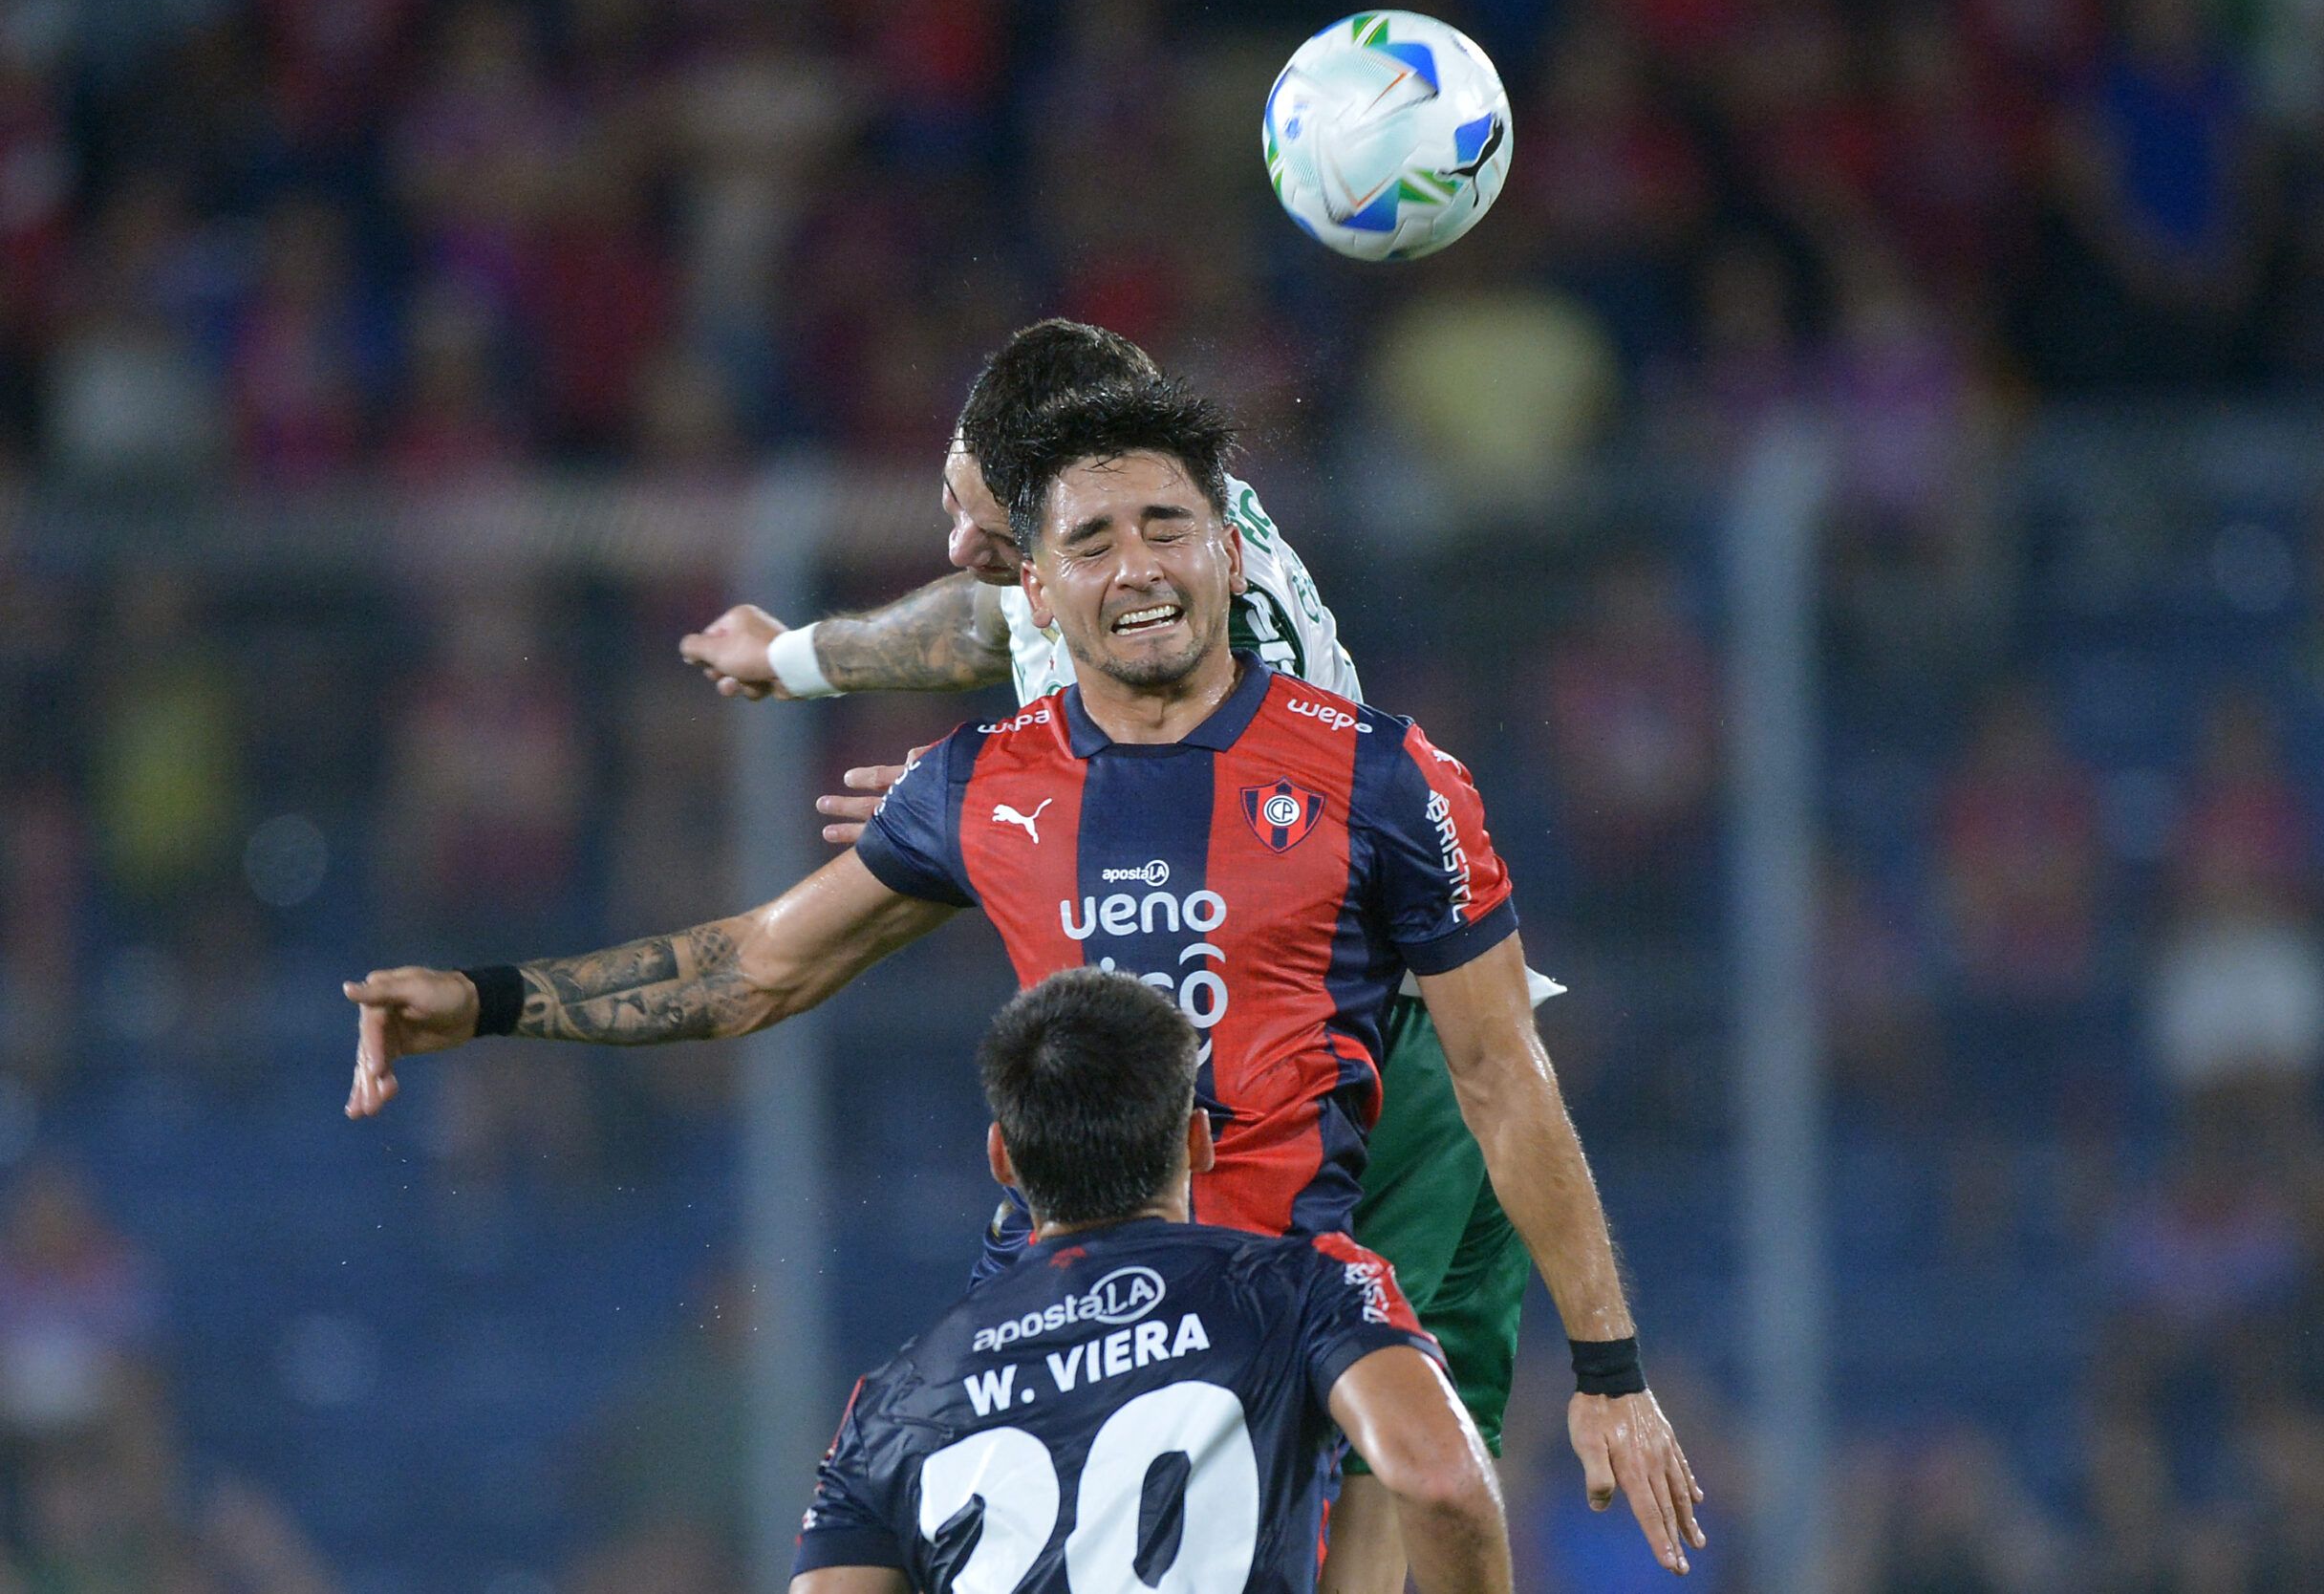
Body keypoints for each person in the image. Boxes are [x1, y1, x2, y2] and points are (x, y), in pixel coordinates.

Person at [343, 376, 1703, 1581]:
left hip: (1287, 1324)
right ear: (1038, 589)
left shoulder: (1384, 779)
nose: (1138, 568)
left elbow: (1498, 1072)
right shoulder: (982, 784)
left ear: (1230, 550)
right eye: (1092, 543)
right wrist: (490, 997)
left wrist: (1607, 1370)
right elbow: (758, 965)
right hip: (1062, 1322)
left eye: (1167, 528)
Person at [676, 321, 1562, 1593]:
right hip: (1282, 1069)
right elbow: (968, 623)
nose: (960, 540)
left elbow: (1188, 824)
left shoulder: (1185, 635)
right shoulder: (1144, 542)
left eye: (972, 506)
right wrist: (800, 659)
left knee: (1343, 1430)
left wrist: (978, 810)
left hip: (1359, 1059)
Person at [789, 967, 1510, 1594]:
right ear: (1198, 1141)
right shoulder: (1304, 1286)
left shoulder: (890, 1402)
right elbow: (1441, 1483)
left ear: (1002, 1160)